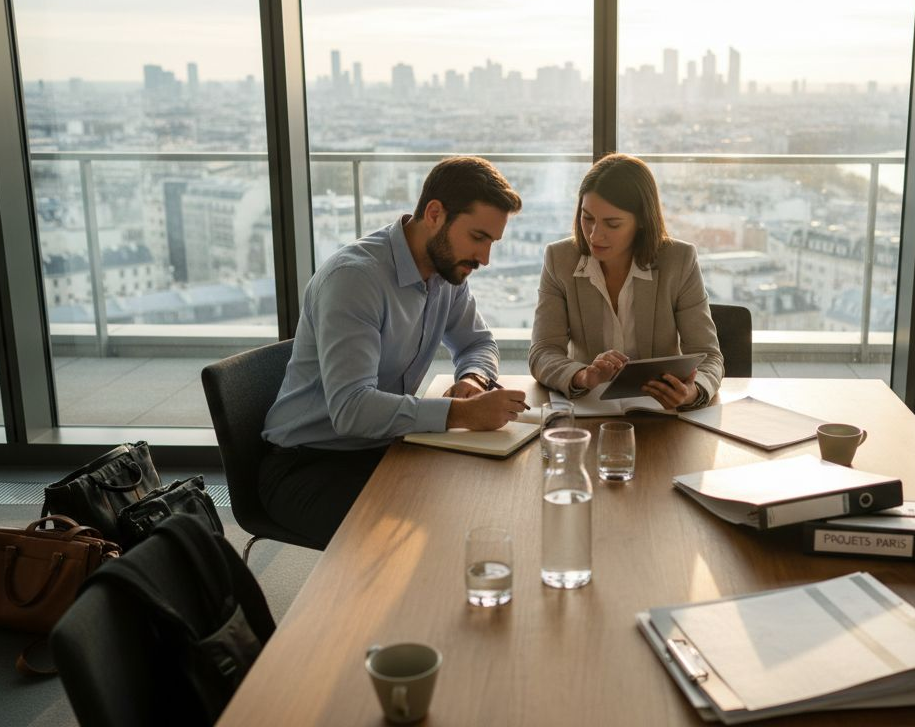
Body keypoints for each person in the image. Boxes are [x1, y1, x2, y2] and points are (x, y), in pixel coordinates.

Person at [260, 156, 527, 547]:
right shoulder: (355, 279)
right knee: (431, 538)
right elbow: (352, 410)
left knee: (482, 500)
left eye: (491, 242)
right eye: (478, 237)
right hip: (310, 463)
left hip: (385, 446)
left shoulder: (446, 271)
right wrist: (462, 413)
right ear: (435, 214)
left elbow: (478, 342)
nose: (485, 258)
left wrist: (472, 379)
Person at [529, 153, 723, 409]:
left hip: (659, 414)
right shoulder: (559, 259)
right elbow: (542, 352)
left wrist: (692, 392)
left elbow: (709, 356)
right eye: (587, 218)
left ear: (642, 220)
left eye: (612, 223)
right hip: (592, 410)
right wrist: (584, 376)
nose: (595, 235)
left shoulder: (679, 260)